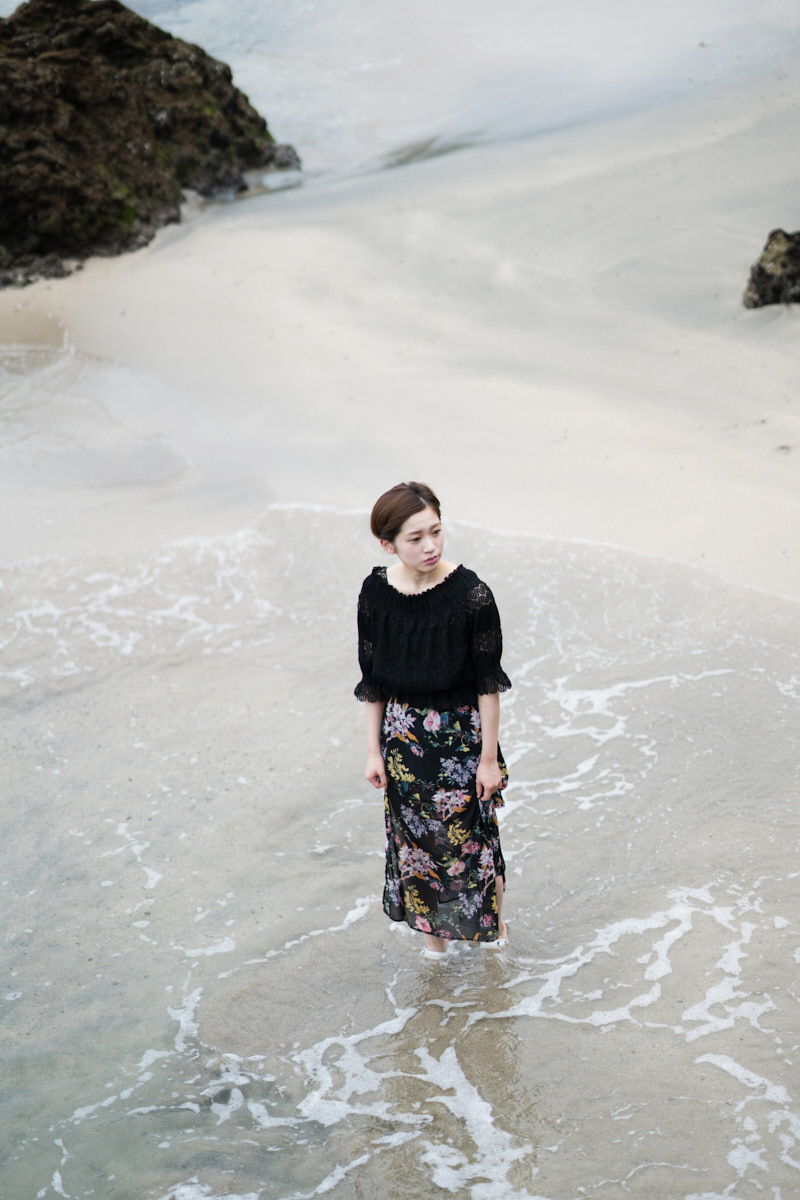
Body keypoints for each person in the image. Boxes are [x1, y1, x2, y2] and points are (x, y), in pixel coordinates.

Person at [355, 481, 511, 958]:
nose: (430, 546)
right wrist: (373, 751)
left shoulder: (472, 595)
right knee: (415, 850)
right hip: (402, 742)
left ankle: (496, 942)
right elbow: (372, 681)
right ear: (388, 545)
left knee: (475, 845)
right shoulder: (375, 593)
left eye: (436, 532)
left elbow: (487, 684)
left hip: (461, 741)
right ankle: (435, 958)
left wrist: (489, 760)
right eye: (416, 538)